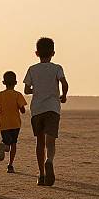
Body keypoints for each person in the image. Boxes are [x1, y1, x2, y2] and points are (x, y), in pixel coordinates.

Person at [24, 37, 68, 186]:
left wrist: (35, 89)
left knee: (40, 142)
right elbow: (64, 83)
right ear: (53, 53)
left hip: (37, 109)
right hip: (52, 108)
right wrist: (63, 95)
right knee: (51, 141)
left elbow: (26, 89)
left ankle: (41, 174)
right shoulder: (57, 68)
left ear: (37, 53)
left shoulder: (32, 69)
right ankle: (49, 160)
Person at [0, 71, 28, 173]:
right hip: (15, 123)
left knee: (7, 141)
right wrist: (21, 109)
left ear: (3, 82)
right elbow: (23, 110)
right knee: (14, 144)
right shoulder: (17, 95)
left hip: (4, 123)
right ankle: (10, 165)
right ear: (16, 82)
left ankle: (3, 144)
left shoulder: (1, 95)